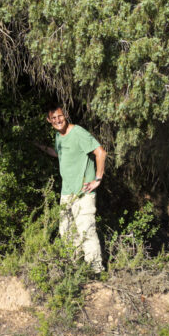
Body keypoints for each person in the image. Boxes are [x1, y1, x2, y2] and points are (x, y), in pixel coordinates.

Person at [37, 104, 106, 272]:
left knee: (86, 230)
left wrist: (98, 178)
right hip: (67, 192)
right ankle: (76, 270)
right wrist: (40, 146)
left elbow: (101, 152)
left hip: (83, 192)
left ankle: (96, 271)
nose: (57, 120)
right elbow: (61, 154)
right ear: (49, 120)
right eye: (53, 118)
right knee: (66, 231)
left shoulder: (78, 132)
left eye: (60, 116)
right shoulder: (59, 136)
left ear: (65, 116)